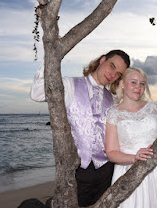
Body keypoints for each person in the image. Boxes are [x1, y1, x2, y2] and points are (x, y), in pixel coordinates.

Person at [30, 50, 130, 207]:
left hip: (106, 169)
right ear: (102, 60)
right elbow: (37, 93)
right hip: (78, 170)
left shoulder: (113, 99)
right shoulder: (70, 85)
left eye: (118, 74)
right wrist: (51, 55)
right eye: (111, 66)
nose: (113, 75)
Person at [105, 67, 157, 208]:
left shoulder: (155, 109)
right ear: (122, 84)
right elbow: (111, 153)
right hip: (130, 172)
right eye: (134, 82)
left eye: (142, 84)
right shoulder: (113, 114)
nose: (138, 87)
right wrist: (134, 158)